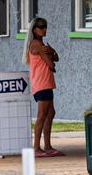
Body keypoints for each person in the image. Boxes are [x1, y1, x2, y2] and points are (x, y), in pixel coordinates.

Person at [25, 17, 63, 158]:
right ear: (34, 29)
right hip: (41, 84)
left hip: (46, 83)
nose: (44, 29)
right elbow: (52, 65)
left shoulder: (41, 44)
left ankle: (47, 146)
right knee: (42, 115)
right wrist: (50, 55)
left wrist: (52, 51)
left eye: (45, 26)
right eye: (41, 27)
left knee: (50, 113)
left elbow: (56, 58)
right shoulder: (36, 45)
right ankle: (36, 148)